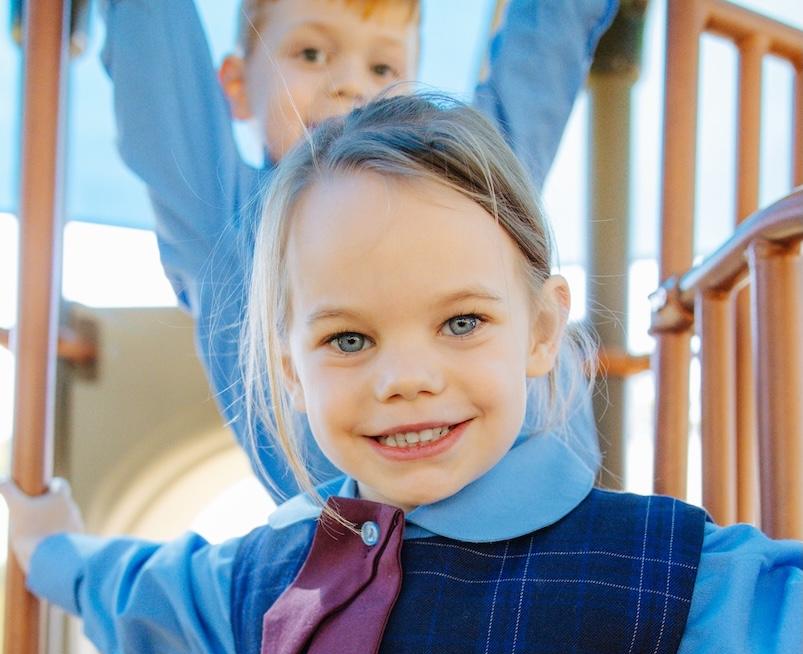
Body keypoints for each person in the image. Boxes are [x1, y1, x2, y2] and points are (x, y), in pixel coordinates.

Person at [5, 95, 800, 654]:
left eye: (461, 322)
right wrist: (52, 553)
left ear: (541, 329)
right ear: (291, 366)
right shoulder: (271, 578)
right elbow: (141, 593)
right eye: (349, 337)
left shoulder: (649, 576)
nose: (405, 378)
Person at [100, 0, 617, 499]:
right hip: (357, 544)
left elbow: (542, 55)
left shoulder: (466, 181)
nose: (352, 85)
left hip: (547, 534)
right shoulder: (226, 220)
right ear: (236, 84)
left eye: (382, 66)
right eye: (311, 55)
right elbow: (156, 63)